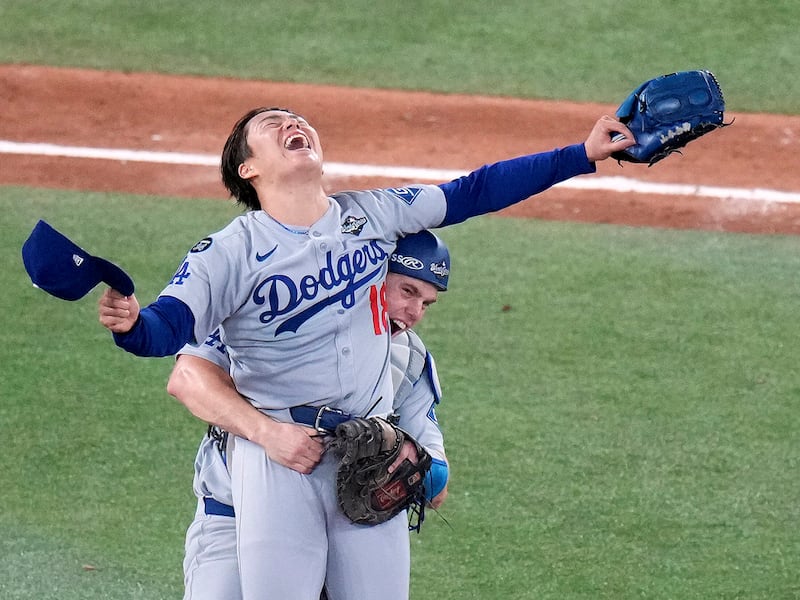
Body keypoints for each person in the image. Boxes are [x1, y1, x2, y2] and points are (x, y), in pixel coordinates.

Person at [97, 106, 634, 599]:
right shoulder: (228, 253)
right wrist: (131, 324)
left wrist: (581, 154)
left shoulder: (374, 214)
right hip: (281, 456)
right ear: (247, 169)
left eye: (296, 118)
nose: (292, 123)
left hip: (370, 451)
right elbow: (164, 334)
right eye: (272, 125)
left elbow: (473, 191)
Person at [174, 230, 451, 600]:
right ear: (369, 275)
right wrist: (267, 433)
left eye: (426, 303)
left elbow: (437, 488)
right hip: (233, 515)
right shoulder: (279, 319)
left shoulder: (408, 360)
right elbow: (187, 380)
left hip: (345, 527)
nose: (414, 313)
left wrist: (407, 461)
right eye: (407, 292)